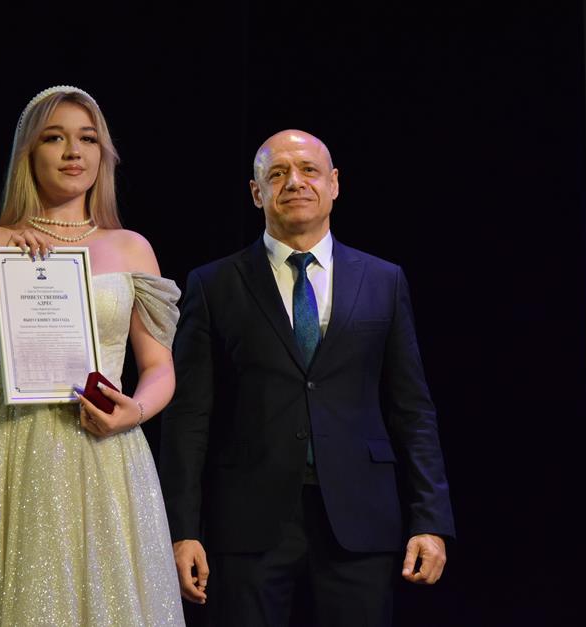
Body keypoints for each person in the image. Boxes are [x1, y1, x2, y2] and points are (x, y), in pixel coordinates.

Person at [159, 129, 455, 626]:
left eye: (309, 170)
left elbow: (413, 411)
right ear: (257, 193)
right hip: (247, 524)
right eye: (277, 174)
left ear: (334, 183)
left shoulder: (384, 280)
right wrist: (181, 529)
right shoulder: (213, 284)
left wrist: (431, 519)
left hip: (361, 519)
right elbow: (188, 417)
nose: (294, 182)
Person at [0, 85, 185, 626]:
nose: (73, 152)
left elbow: (160, 367)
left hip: (106, 448)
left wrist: (134, 411)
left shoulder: (132, 247)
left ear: (103, 154)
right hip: (13, 447)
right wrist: (8, 280)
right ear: (29, 153)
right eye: (54, 138)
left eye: (87, 139)